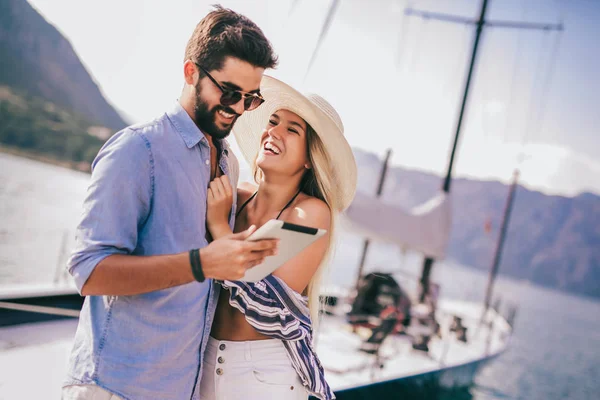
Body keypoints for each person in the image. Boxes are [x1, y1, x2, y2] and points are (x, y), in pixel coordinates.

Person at [62, 6, 279, 400]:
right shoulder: (137, 150)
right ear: (191, 72)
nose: (237, 108)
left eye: (251, 98)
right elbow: (89, 272)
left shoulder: (228, 164)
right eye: (229, 92)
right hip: (115, 387)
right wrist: (202, 262)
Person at [198, 76, 357, 400]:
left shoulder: (310, 214)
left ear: (309, 158)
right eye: (273, 121)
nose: (274, 132)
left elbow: (265, 304)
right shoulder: (235, 198)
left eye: (292, 130)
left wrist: (218, 227)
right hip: (205, 362)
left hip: (264, 376)